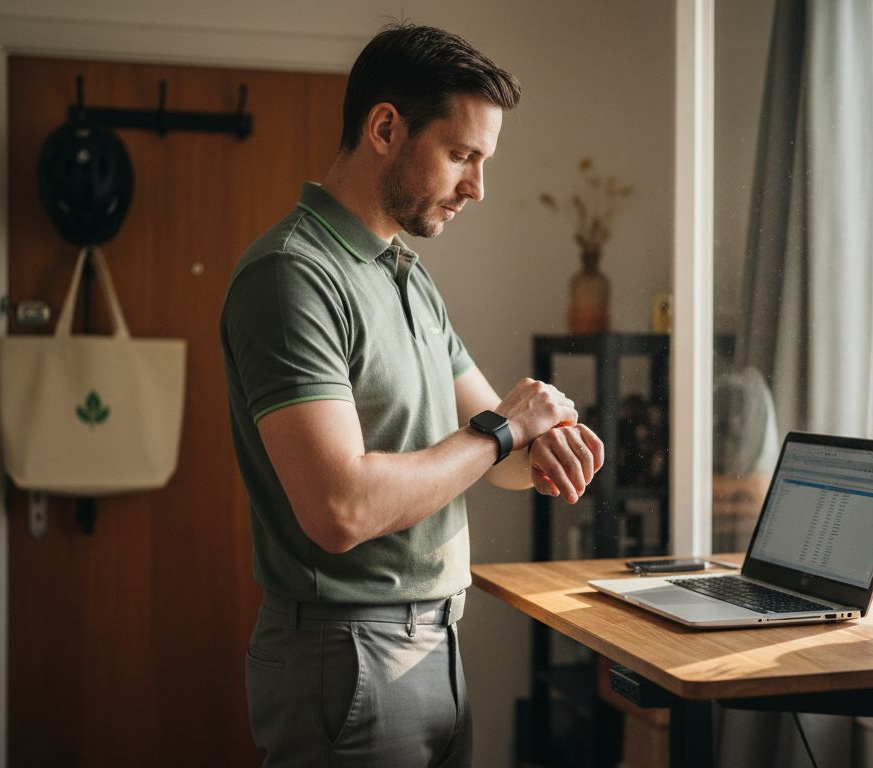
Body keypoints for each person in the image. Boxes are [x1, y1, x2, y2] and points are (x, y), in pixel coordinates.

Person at [220, 22, 605, 767]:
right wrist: (506, 430)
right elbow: (340, 510)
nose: (478, 188)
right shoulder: (292, 275)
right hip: (348, 655)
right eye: (462, 155)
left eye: (483, 161)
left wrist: (541, 436)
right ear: (386, 128)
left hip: (437, 643)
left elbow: (496, 453)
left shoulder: (406, 273)